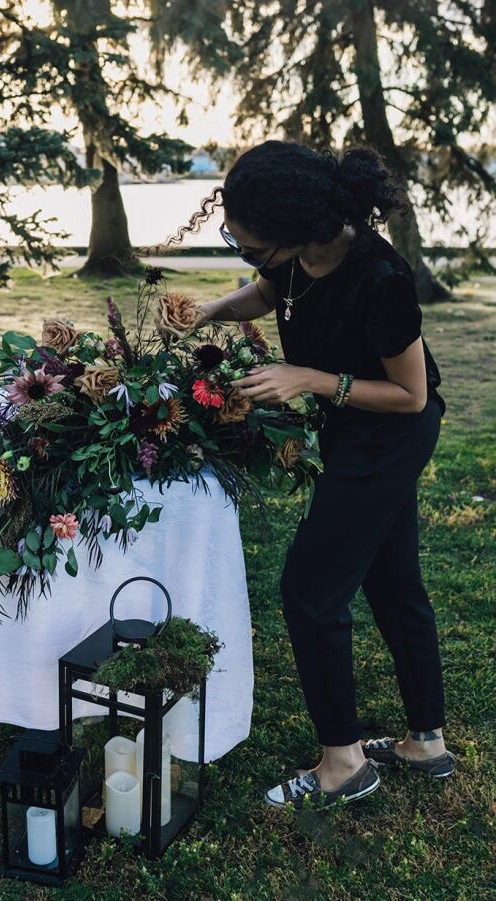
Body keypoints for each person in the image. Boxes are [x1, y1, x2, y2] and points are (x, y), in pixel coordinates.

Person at [169, 140, 456, 810]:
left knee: (309, 589)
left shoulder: (381, 278)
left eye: (247, 244)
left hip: (389, 435)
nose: (244, 254)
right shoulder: (297, 260)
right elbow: (269, 290)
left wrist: (309, 378)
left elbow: (413, 395)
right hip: (355, 430)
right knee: (391, 579)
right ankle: (426, 741)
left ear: (297, 228)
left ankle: (343, 764)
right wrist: (212, 311)